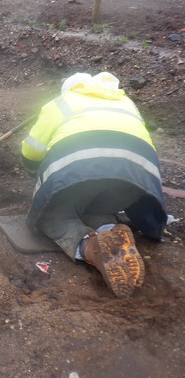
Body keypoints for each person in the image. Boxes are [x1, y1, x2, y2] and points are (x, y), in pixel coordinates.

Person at [21, 72, 168, 298]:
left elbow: (32, 151)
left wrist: (35, 174)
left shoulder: (60, 103)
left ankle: (90, 248)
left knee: (54, 217)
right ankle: (111, 232)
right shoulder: (125, 101)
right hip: (135, 176)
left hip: (80, 166)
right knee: (96, 205)